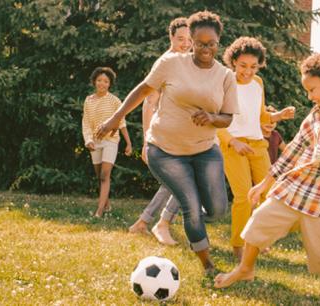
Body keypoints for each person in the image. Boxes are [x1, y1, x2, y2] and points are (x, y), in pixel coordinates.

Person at [213, 53, 320, 302]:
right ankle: (245, 268)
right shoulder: (315, 115)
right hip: (298, 187)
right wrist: (264, 184)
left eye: (312, 89)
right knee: (259, 220)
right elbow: (292, 153)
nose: (309, 96)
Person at [96, 11, 238, 274]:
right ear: (191, 41)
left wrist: (211, 117)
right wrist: (116, 118)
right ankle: (207, 265)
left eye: (212, 44)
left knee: (218, 210)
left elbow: (227, 117)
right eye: (200, 43)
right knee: (192, 208)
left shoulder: (225, 76)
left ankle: (187, 220)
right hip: (165, 150)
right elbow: (143, 90)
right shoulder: (171, 63)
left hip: (205, 150)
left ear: (218, 42)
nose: (206, 49)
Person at [218, 36, 295, 261]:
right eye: (243, 66)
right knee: (243, 197)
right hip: (233, 146)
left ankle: (258, 241)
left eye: (253, 66)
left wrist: (278, 115)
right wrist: (233, 142)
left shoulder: (258, 83)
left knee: (267, 195)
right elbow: (215, 120)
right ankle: (238, 246)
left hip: (257, 145)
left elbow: (260, 115)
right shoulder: (224, 82)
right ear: (233, 62)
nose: (248, 71)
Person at [128, 17, 192, 246]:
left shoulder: (187, 63)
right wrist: (147, 141)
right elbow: (148, 102)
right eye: (180, 39)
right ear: (171, 38)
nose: (186, 43)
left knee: (173, 181)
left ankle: (144, 223)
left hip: (181, 131)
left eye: (189, 39)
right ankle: (159, 223)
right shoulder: (166, 62)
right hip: (165, 132)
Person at [82, 67, 132, 218]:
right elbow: (86, 123)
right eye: (99, 80)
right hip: (95, 143)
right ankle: (107, 204)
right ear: (94, 82)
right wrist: (88, 140)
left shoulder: (115, 101)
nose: (102, 83)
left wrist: (128, 143)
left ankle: (99, 211)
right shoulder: (88, 100)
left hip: (111, 141)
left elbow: (122, 122)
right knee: (100, 176)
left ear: (110, 84)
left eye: (105, 81)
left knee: (105, 175)